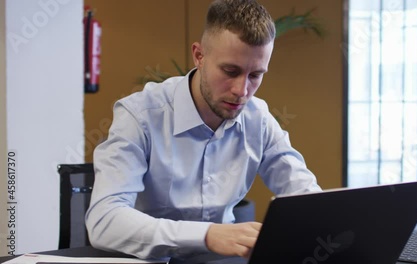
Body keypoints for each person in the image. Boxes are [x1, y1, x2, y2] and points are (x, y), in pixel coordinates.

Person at [85, 0, 321, 261]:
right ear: (199, 56)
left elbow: (305, 198)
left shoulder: (258, 118)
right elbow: (104, 220)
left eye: (255, 75)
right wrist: (207, 235)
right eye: (230, 71)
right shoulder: (140, 116)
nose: (241, 91)